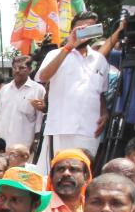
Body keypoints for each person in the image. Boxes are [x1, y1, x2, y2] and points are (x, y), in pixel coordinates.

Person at [35, 12, 109, 166]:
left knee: (83, 173)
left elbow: (100, 93)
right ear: (72, 30)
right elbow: (43, 77)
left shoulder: (100, 59)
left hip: (90, 130)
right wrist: (69, 46)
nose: (86, 31)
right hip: (61, 127)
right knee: (56, 172)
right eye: (82, 28)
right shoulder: (55, 54)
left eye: (91, 28)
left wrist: (104, 113)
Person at [0, 57, 46, 151]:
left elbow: (39, 118)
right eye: (14, 68)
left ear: (30, 70)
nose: (17, 71)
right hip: (3, 141)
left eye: (22, 68)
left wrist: (36, 139)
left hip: (24, 143)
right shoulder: (4, 89)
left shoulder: (38, 89)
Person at [32, 148, 91, 212]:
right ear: (51, 177)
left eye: (73, 169)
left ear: (86, 177)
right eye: (60, 169)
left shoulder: (92, 207)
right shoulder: (39, 205)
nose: (66, 173)